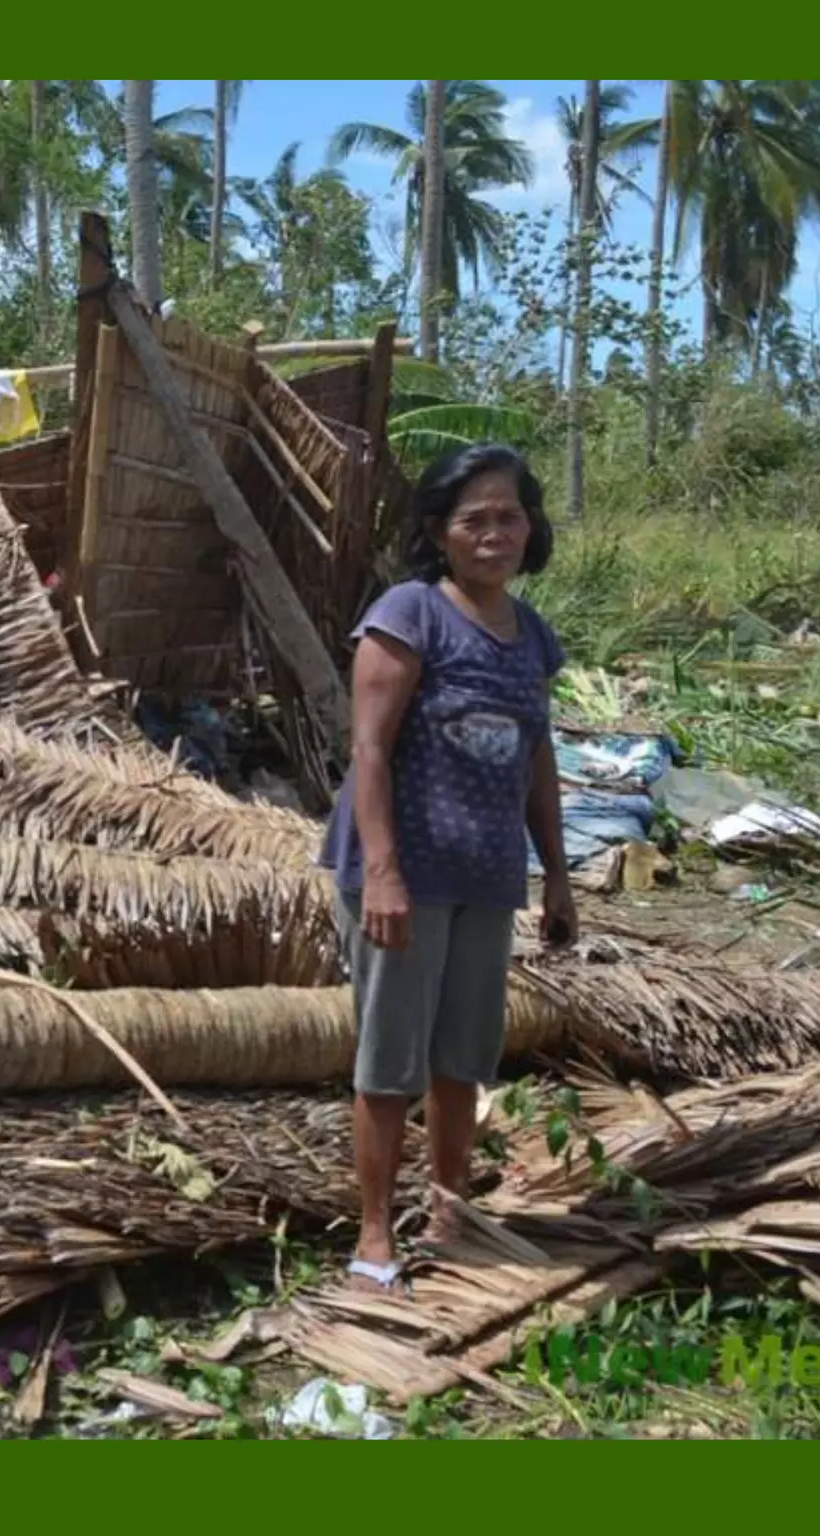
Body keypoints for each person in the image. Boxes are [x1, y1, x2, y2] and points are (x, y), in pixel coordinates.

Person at [315, 441, 575, 1295]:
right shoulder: (411, 613)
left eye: (509, 516)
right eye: (475, 519)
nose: (495, 532)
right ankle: (377, 1228)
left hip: (487, 874)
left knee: (463, 1057)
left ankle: (451, 1209)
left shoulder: (531, 635)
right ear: (440, 531)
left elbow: (536, 762)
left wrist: (559, 879)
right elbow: (370, 750)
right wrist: (383, 873)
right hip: (405, 872)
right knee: (391, 1061)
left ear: (529, 527)